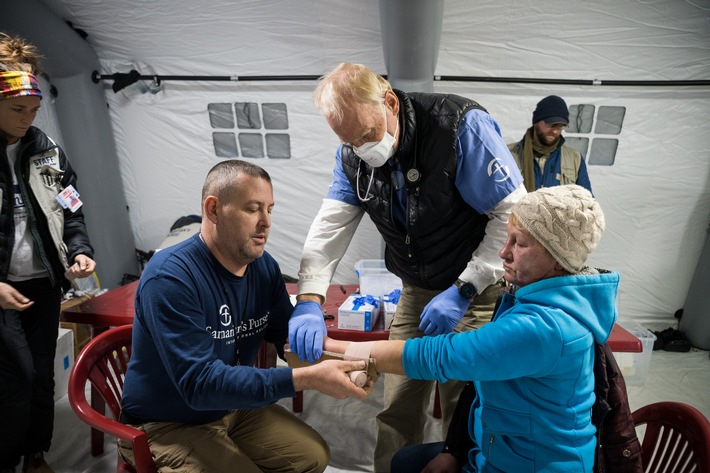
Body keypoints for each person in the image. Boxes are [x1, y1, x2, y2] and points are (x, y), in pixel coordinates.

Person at [289, 62, 525, 471]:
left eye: (366, 135)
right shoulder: (352, 154)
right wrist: (309, 297)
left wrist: (465, 288)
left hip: (474, 287)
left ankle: (464, 465)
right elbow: (331, 225)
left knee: (463, 398)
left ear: (390, 102)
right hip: (417, 288)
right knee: (398, 398)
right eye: (350, 141)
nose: (362, 148)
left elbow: (511, 214)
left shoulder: (459, 127)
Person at [326, 184, 616, 472]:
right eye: (507, 239)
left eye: (520, 243)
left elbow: (439, 356)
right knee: (405, 460)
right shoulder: (533, 300)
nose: (504, 252)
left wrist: (337, 350)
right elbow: (478, 386)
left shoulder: (545, 327)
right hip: (495, 450)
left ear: (558, 260)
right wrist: (456, 450)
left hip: (529, 465)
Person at [118, 159, 369, 473]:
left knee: (313, 455)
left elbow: (285, 339)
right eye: (252, 209)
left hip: (232, 406)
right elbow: (201, 384)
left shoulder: (263, 268)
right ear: (213, 210)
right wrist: (308, 379)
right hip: (168, 421)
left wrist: (344, 357)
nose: (265, 222)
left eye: (270, 210)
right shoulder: (170, 278)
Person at [0, 33, 97, 473]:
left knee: (41, 375)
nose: (28, 119)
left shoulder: (47, 151)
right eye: (18, 109)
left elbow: (71, 208)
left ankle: (36, 454)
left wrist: (78, 250)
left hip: (41, 285)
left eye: (34, 111)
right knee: (14, 378)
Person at [508, 95, 592, 193]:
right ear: (536, 122)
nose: (555, 131)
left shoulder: (574, 158)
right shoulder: (508, 155)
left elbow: (587, 200)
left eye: (560, 126)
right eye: (552, 125)